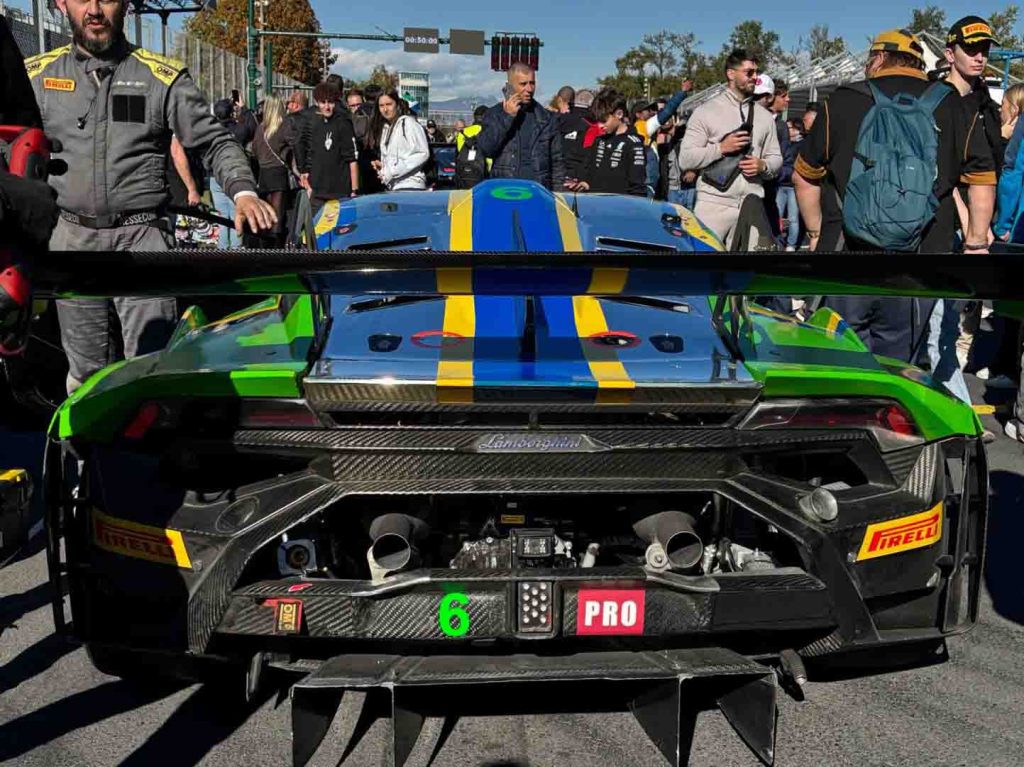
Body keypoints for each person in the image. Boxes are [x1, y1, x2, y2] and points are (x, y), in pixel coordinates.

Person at [27, 0, 275, 393]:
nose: (94, 9)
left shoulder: (161, 77)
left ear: (126, 3)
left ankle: (152, 429)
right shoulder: (36, 76)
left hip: (143, 239)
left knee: (150, 370)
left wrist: (242, 191)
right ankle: (87, 431)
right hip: (70, 240)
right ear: (60, 3)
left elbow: (215, 142)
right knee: (85, 372)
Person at [794, 29, 996, 368]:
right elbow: (982, 179)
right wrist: (975, 241)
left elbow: (804, 176)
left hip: (846, 255)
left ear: (879, 58)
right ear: (918, 63)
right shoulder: (952, 104)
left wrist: (816, 233)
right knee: (898, 367)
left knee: (839, 360)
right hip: (920, 263)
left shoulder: (843, 100)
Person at [677, 50, 782, 247]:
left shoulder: (765, 117)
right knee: (704, 261)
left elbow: (776, 158)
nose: (755, 78)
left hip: (752, 204)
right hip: (713, 204)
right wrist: (721, 148)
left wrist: (763, 166)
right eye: (749, 72)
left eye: (757, 73)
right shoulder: (705, 111)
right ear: (731, 74)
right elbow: (685, 159)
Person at [477, 62, 566, 190]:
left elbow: (557, 162)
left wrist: (559, 194)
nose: (529, 89)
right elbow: (486, 149)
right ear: (509, 86)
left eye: (532, 83)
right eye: (523, 84)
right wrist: (507, 116)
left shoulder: (547, 118)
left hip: (538, 191)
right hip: (503, 191)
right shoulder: (494, 114)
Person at [569, 87, 646, 196]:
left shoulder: (634, 144)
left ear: (619, 114)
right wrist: (585, 183)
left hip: (621, 204)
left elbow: (637, 187)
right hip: (596, 202)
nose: (600, 125)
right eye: (598, 121)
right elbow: (591, 172)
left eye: (604, 121)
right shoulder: (599, 140)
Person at [302, 81, 359, 210]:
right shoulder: (317, 125)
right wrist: (309, 185)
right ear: (317, 103)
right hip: (317, 193)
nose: (327, 107)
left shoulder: (343, 124)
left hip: (339, 193)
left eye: (330, 102)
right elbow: (313, 155)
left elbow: (352, 159)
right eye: (323, 102)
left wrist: (354, 190)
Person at [253, 95, 296, 245]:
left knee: (266, 217)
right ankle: (276, 249)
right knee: (277, 218)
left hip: (263, 175)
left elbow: (254, 151)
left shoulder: (260, 128)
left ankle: (265, 248)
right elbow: (296, 145)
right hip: (278, 173)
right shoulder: (283, 126)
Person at [368, 89, 430, 191]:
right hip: (394, 187)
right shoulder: (386, 128)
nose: (385, 109)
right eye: (381, 106)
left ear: (397, 104)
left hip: (411, 185)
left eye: (389, 104)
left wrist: (392, 171)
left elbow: (422, 153)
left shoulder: (408, 124)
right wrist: (383, 168)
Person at [560, 88, 598, 185]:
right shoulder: (593, 127)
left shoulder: (559, 120)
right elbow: (590, 156)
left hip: (557, 176)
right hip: (579, 180)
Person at [776, 120, 803, 250]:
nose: (787, 130)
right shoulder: (784, 143)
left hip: (793, 186)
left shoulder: (802, 145)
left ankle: (791, 244)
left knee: (793, 217)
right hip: (780, 184)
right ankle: (778, 240)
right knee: (777, 215)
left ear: (797, 129)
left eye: (789, 127)